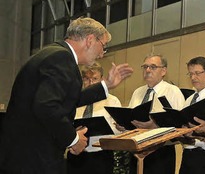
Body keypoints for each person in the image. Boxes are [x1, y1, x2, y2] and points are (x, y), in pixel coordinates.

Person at [0, 17, 133, 173]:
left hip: (25, 154)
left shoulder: (55, 54)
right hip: (33, 158)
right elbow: (47, 106)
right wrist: (74, 139)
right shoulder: (61, 59)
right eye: (103, 46)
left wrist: (107, 85)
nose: (102, 54)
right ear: (90, 40)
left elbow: (67, 98)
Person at [126, 54, 185, 174]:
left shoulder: (173, 91)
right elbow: (130, 116)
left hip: (161, 152)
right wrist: (124, 124)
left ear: (163, 71)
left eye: (153, 67)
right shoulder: (138, 92)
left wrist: (155, 126)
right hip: (136, 150)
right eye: (145, 67)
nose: (147, 70)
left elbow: (180, 125)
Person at [67, 63, 124, 174]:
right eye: (87, 79)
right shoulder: (74, 100)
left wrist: (119, 128)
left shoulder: (112, 101)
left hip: (101, 155)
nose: (91, 83)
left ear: (102, 79)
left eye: (95, 79)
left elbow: (119, 131)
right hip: (76, 153)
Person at [178, 56, 205, 174]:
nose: (193, 77)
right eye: (190, 74)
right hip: (187, 154)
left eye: (197, 73)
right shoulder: (190, 99)